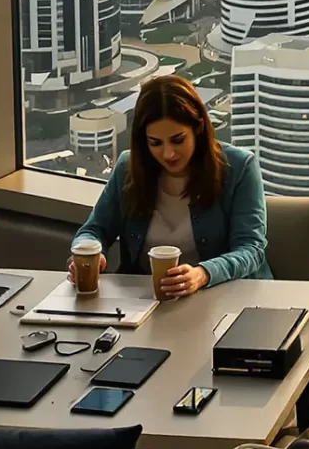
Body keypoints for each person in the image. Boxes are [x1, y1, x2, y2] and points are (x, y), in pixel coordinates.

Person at [73, 74, 268, 296]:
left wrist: (203, 274)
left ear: (199, 127)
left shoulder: (240, 167)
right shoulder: (128, 167)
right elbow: (94, 229)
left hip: (223, 298)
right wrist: (88, 252)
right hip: (145, 302)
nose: (168, 154)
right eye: (155, 143)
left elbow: (252, 250)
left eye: (178, 140)